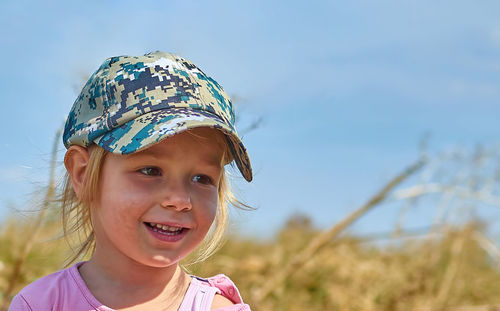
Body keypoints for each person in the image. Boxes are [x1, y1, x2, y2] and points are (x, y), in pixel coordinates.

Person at [9, 51, 253, 311]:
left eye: (201, 178)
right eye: (150, 171)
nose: (180, 200)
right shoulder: (40, 304)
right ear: (82, 173)